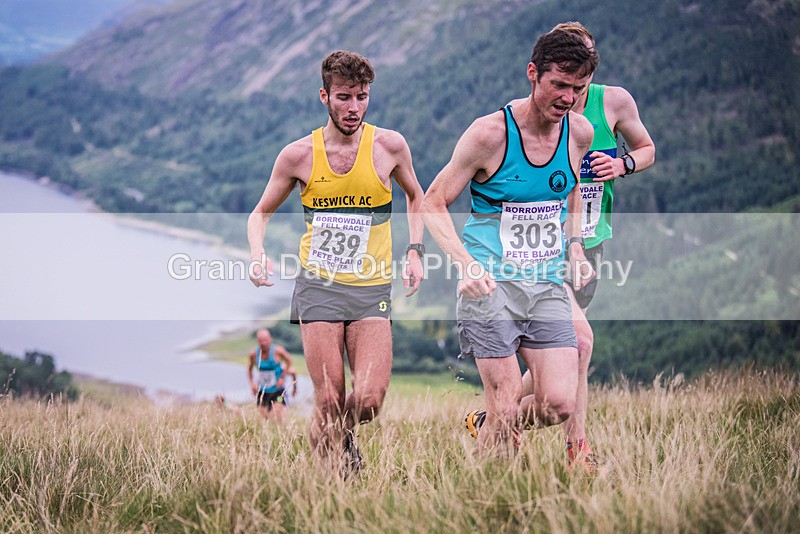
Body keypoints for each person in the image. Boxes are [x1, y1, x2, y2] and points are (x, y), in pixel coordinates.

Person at [464, 22, 656, 472]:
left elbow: (646, 148)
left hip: (587, 241)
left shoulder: (610, 104)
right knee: (581, 343)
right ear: (540, 71)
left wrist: (622, 164)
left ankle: (498, 418)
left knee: (568, 353)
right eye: (563, 77)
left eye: (582, 75)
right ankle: (573, 448)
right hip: (537, 256)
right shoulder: (527, 120)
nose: (571, 90)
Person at [247, 50, 425, 476]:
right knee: (328, 399)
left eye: (362, 97)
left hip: (370, 288)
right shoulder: (298, 155)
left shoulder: (389, 147)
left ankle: (337, 436)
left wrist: (415, 250)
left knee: (369, 400)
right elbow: (260, 213)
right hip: (318, 286)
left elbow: (416, 196)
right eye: (344, 97)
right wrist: (257, 254)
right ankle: (331, 481)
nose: (354, 107)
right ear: (324, 96)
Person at [423, 29, 599, 457]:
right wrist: (465, 263)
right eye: (559, 85)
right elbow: (432, 202)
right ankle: (490, 486)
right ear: (532, 73)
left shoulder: (580, 133)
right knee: (504, 400)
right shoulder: (489, 135)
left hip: (546, 284)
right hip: (491, 285)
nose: (568, 98)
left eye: (578, 89)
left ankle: (487, 427)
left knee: (559, 404)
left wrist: (575, 245)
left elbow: (573, 187)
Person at [247, 329, 297, 423]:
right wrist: (252, 383)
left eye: (265, 340)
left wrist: (282, 377)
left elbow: (289, 361)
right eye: (260, 340)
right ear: (257, 341)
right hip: (262, 391)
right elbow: (249, 369)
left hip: (277, 390)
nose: (263, 343)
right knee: (264, 419)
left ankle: (284, 428)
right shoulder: (253, 354)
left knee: (278, 416)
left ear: (270, 339)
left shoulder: (278, 351)